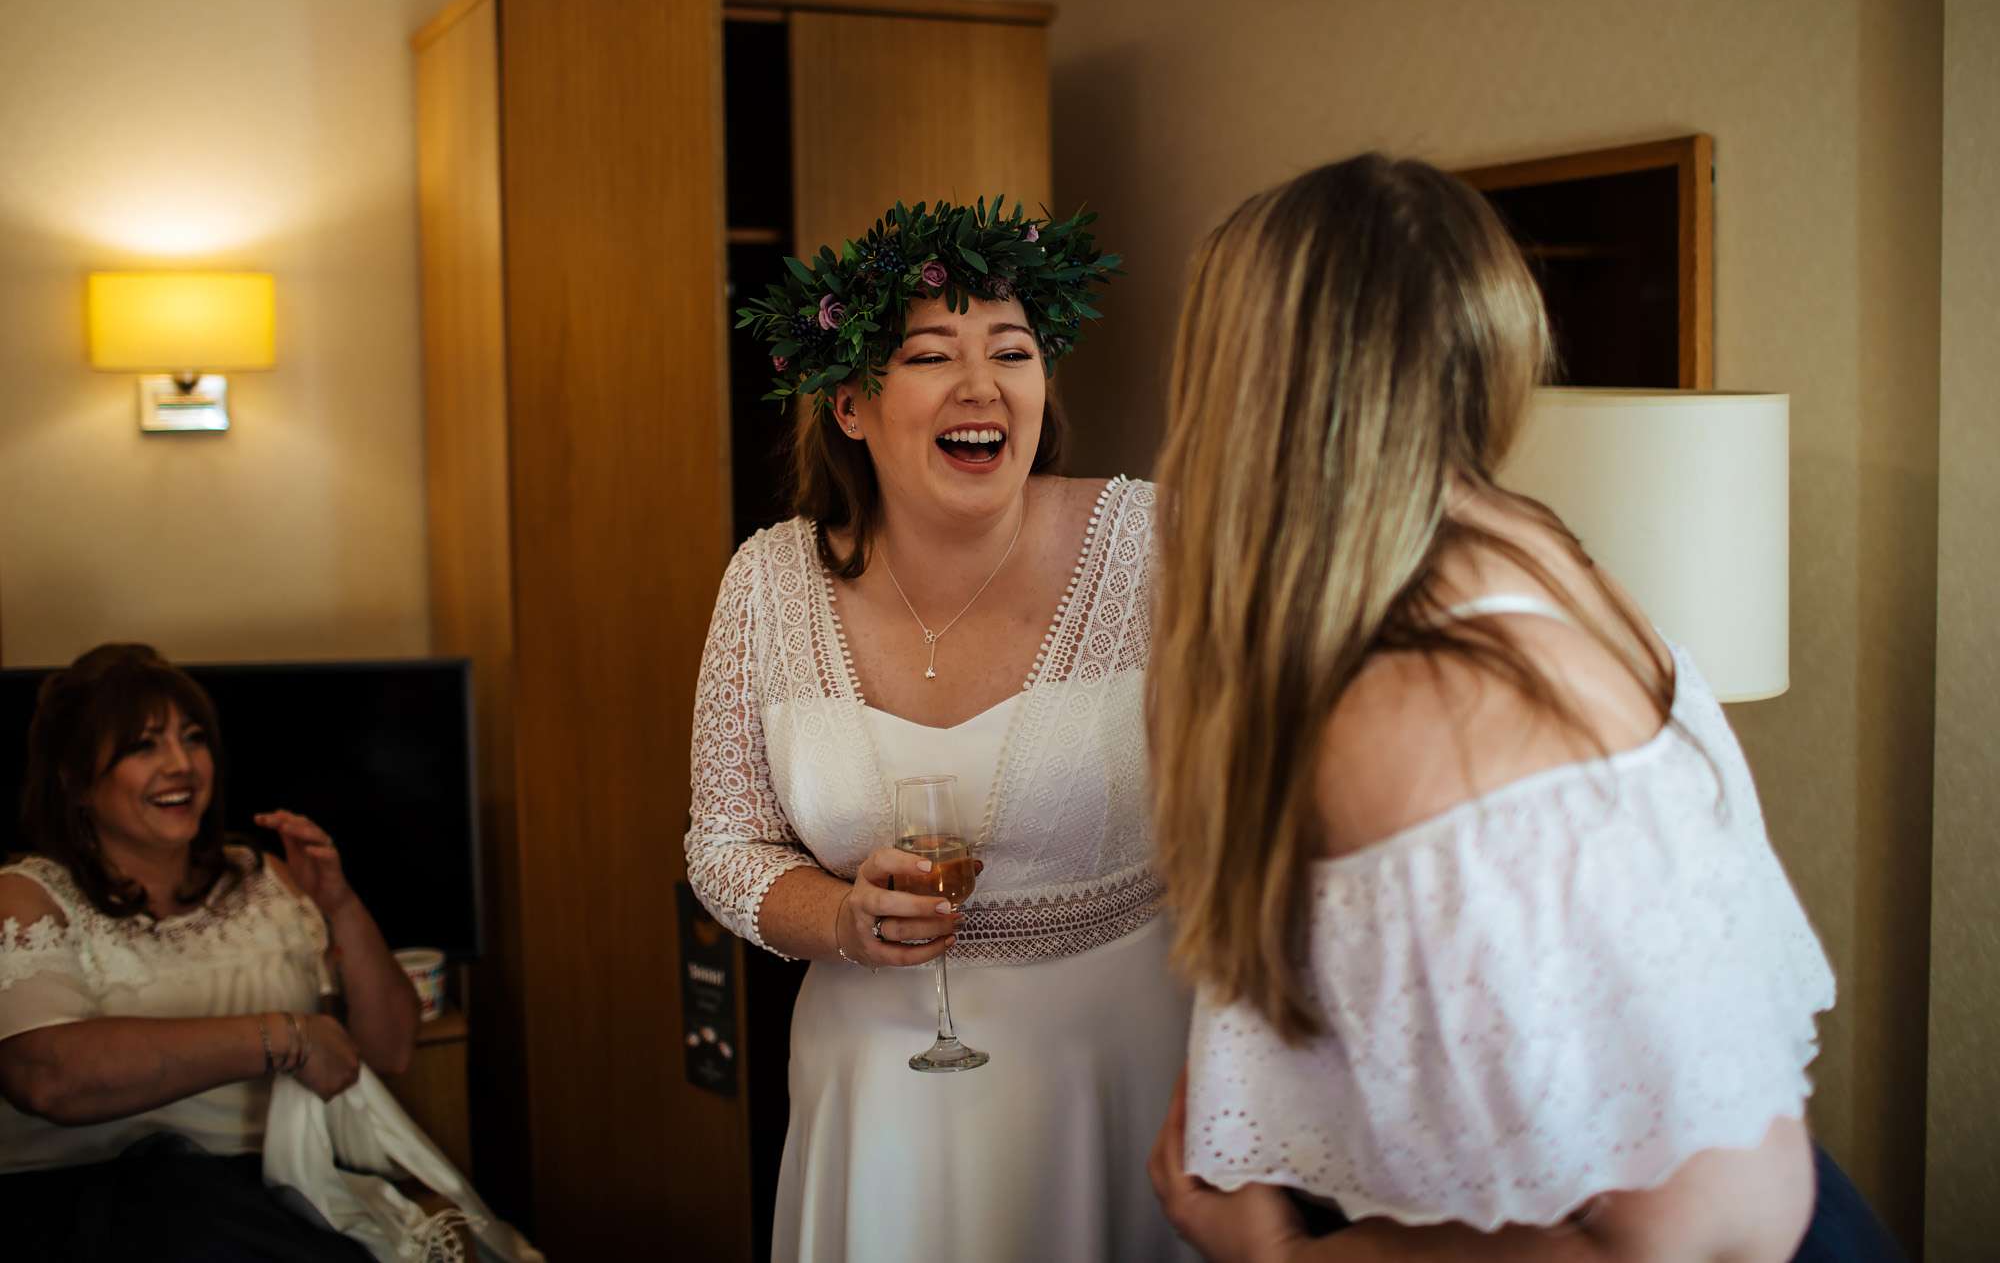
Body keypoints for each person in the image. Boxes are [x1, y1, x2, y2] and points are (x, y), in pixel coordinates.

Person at [1143, 155, 1891, 1261]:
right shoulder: (1519, 544)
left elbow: (1647, 1240)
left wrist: (1276, 1256)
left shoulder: (1410, 708)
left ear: (1240, 380)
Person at [688, 197, 1193, 1261]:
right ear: (851, 406)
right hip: (871, 1080)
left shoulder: (1152, 543)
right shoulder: (765, 582)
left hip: (1111, 1070)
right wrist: (835, 917)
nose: (981, 385)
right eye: (931, 354)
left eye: (1011, 350)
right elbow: (720, 844)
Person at [0, 642, 421, 1260]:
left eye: (193, 739)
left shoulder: (263, 877)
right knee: (176, 1196)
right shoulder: (26, 898)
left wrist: (342, 906)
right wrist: (286, 1036)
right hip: (96, 1210)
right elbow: (48, 1078)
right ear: (75, 780)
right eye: (144, 746)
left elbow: (391, 1049)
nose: (182, 765)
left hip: (277, 1190)